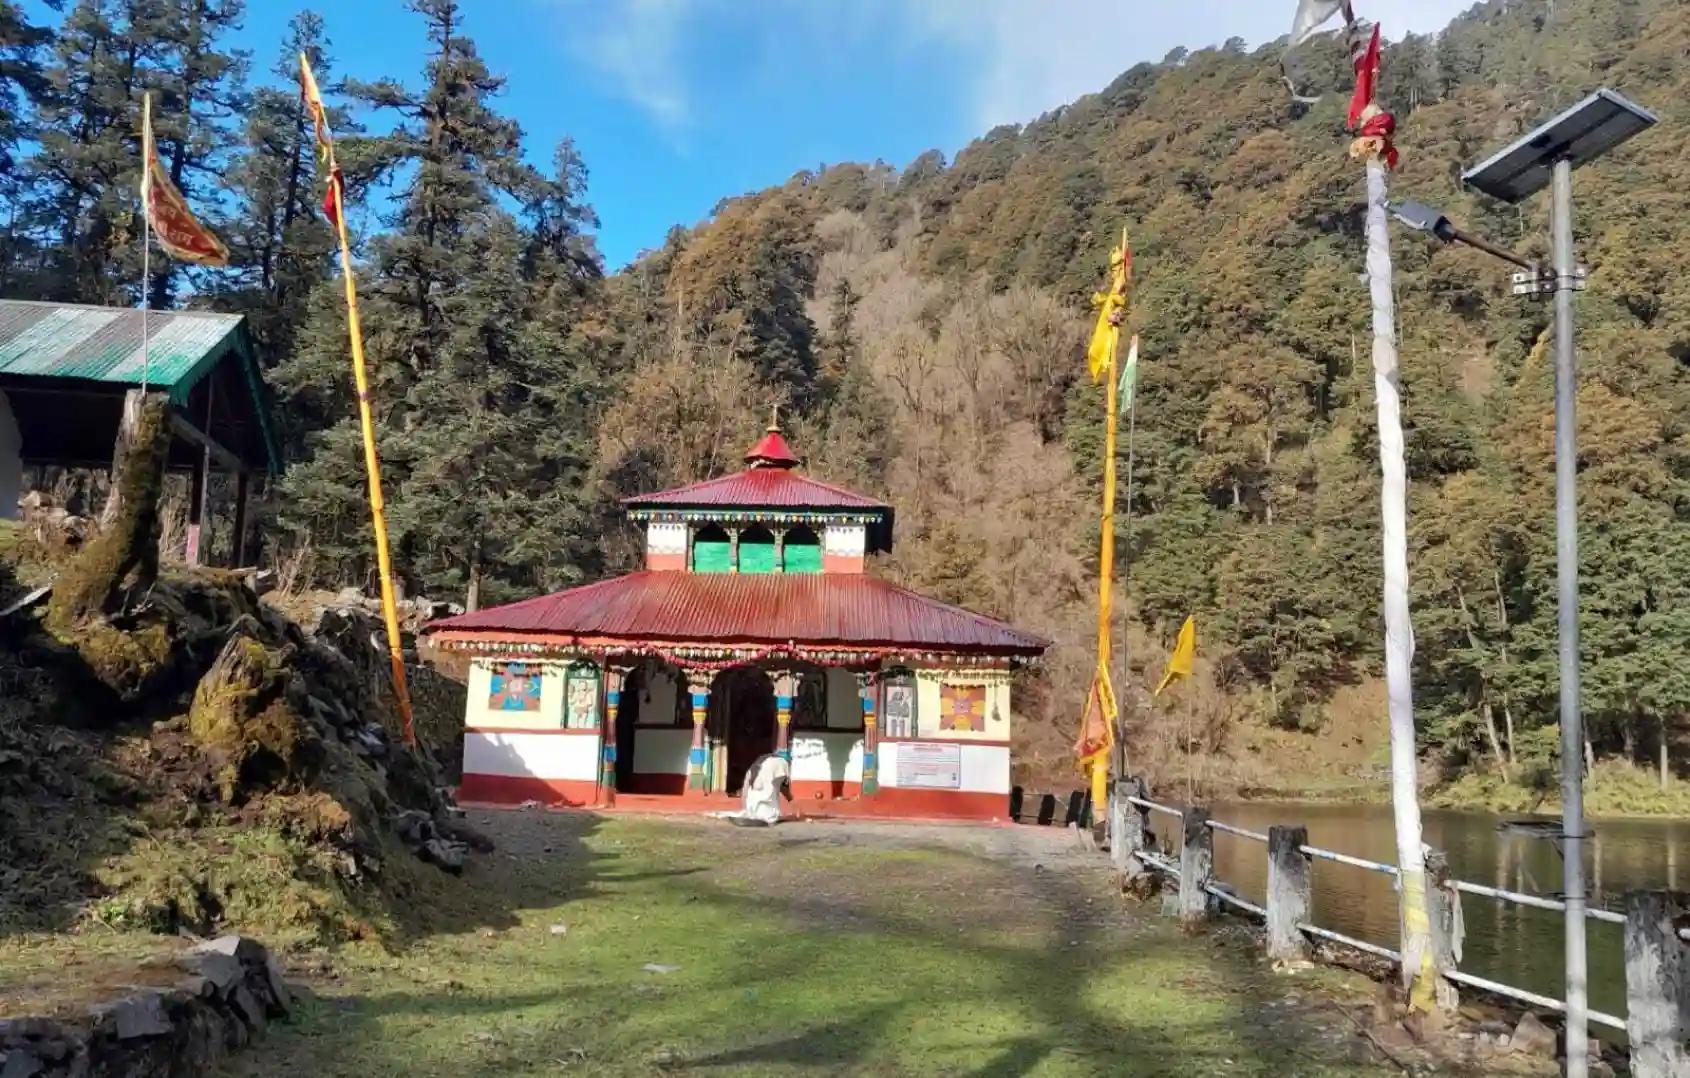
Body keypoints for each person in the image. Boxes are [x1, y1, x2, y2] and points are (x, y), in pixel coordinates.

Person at [720, 752, 791, 827]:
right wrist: (789, 797)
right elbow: (783, 786)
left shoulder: (755, 766)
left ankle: (761, 816)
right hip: (768, 810)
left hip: (754, 807)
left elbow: (745, 789)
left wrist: (745, 808)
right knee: (770, 792)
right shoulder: (781, 762)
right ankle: (768, 817)